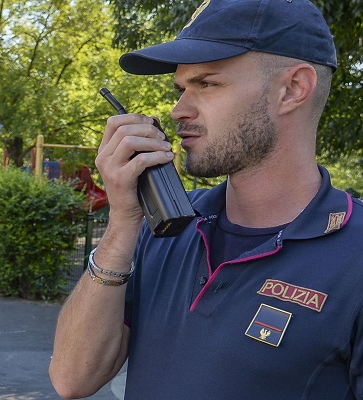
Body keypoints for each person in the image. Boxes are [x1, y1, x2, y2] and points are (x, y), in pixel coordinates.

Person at [50, 0, 363, 398]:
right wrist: (124, 223)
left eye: (207, 84)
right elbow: (72, 379)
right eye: (181, 88)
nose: (178, 110)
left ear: (293, 88)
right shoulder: (165, 228)